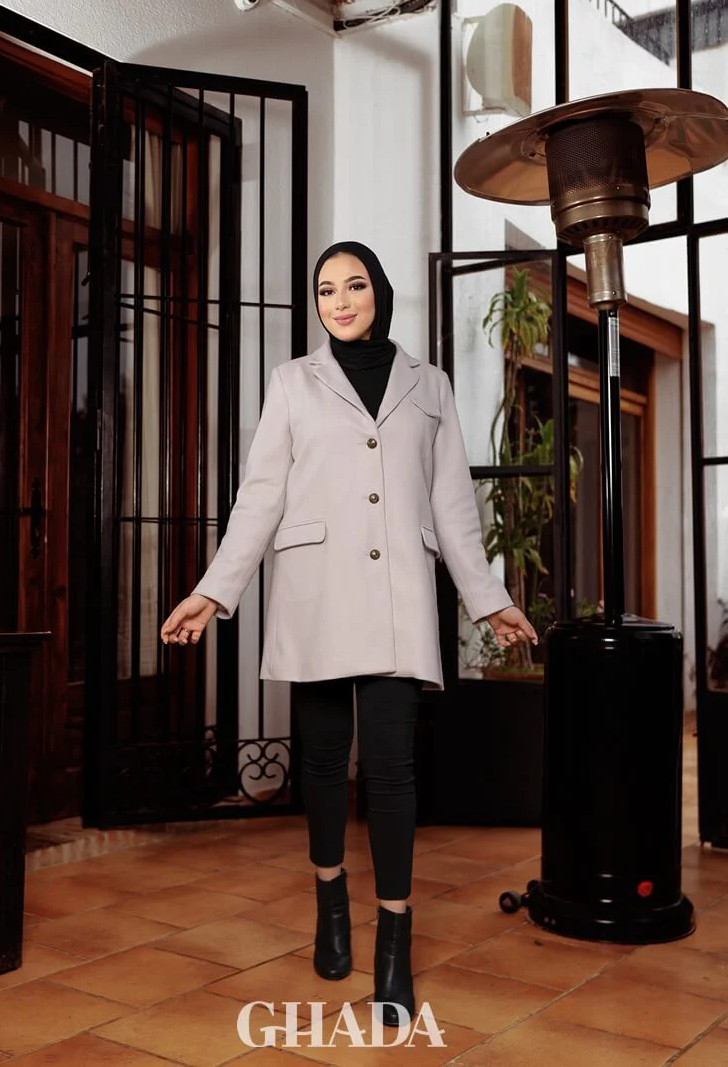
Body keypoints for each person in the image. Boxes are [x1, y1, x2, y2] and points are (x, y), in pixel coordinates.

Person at [160, 241, 536, 1026]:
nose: (338, 301)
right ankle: (330, 905)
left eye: (353, 285)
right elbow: (261, 495)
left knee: (392, 770)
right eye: (325, 289)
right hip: (317, 593)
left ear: (379, 293)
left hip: (399, 596)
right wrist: (213, 590)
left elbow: (451, 505)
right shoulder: (291, 382)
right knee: (325, 764)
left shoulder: (429, 385)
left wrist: (488, 600)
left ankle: (393, 942)